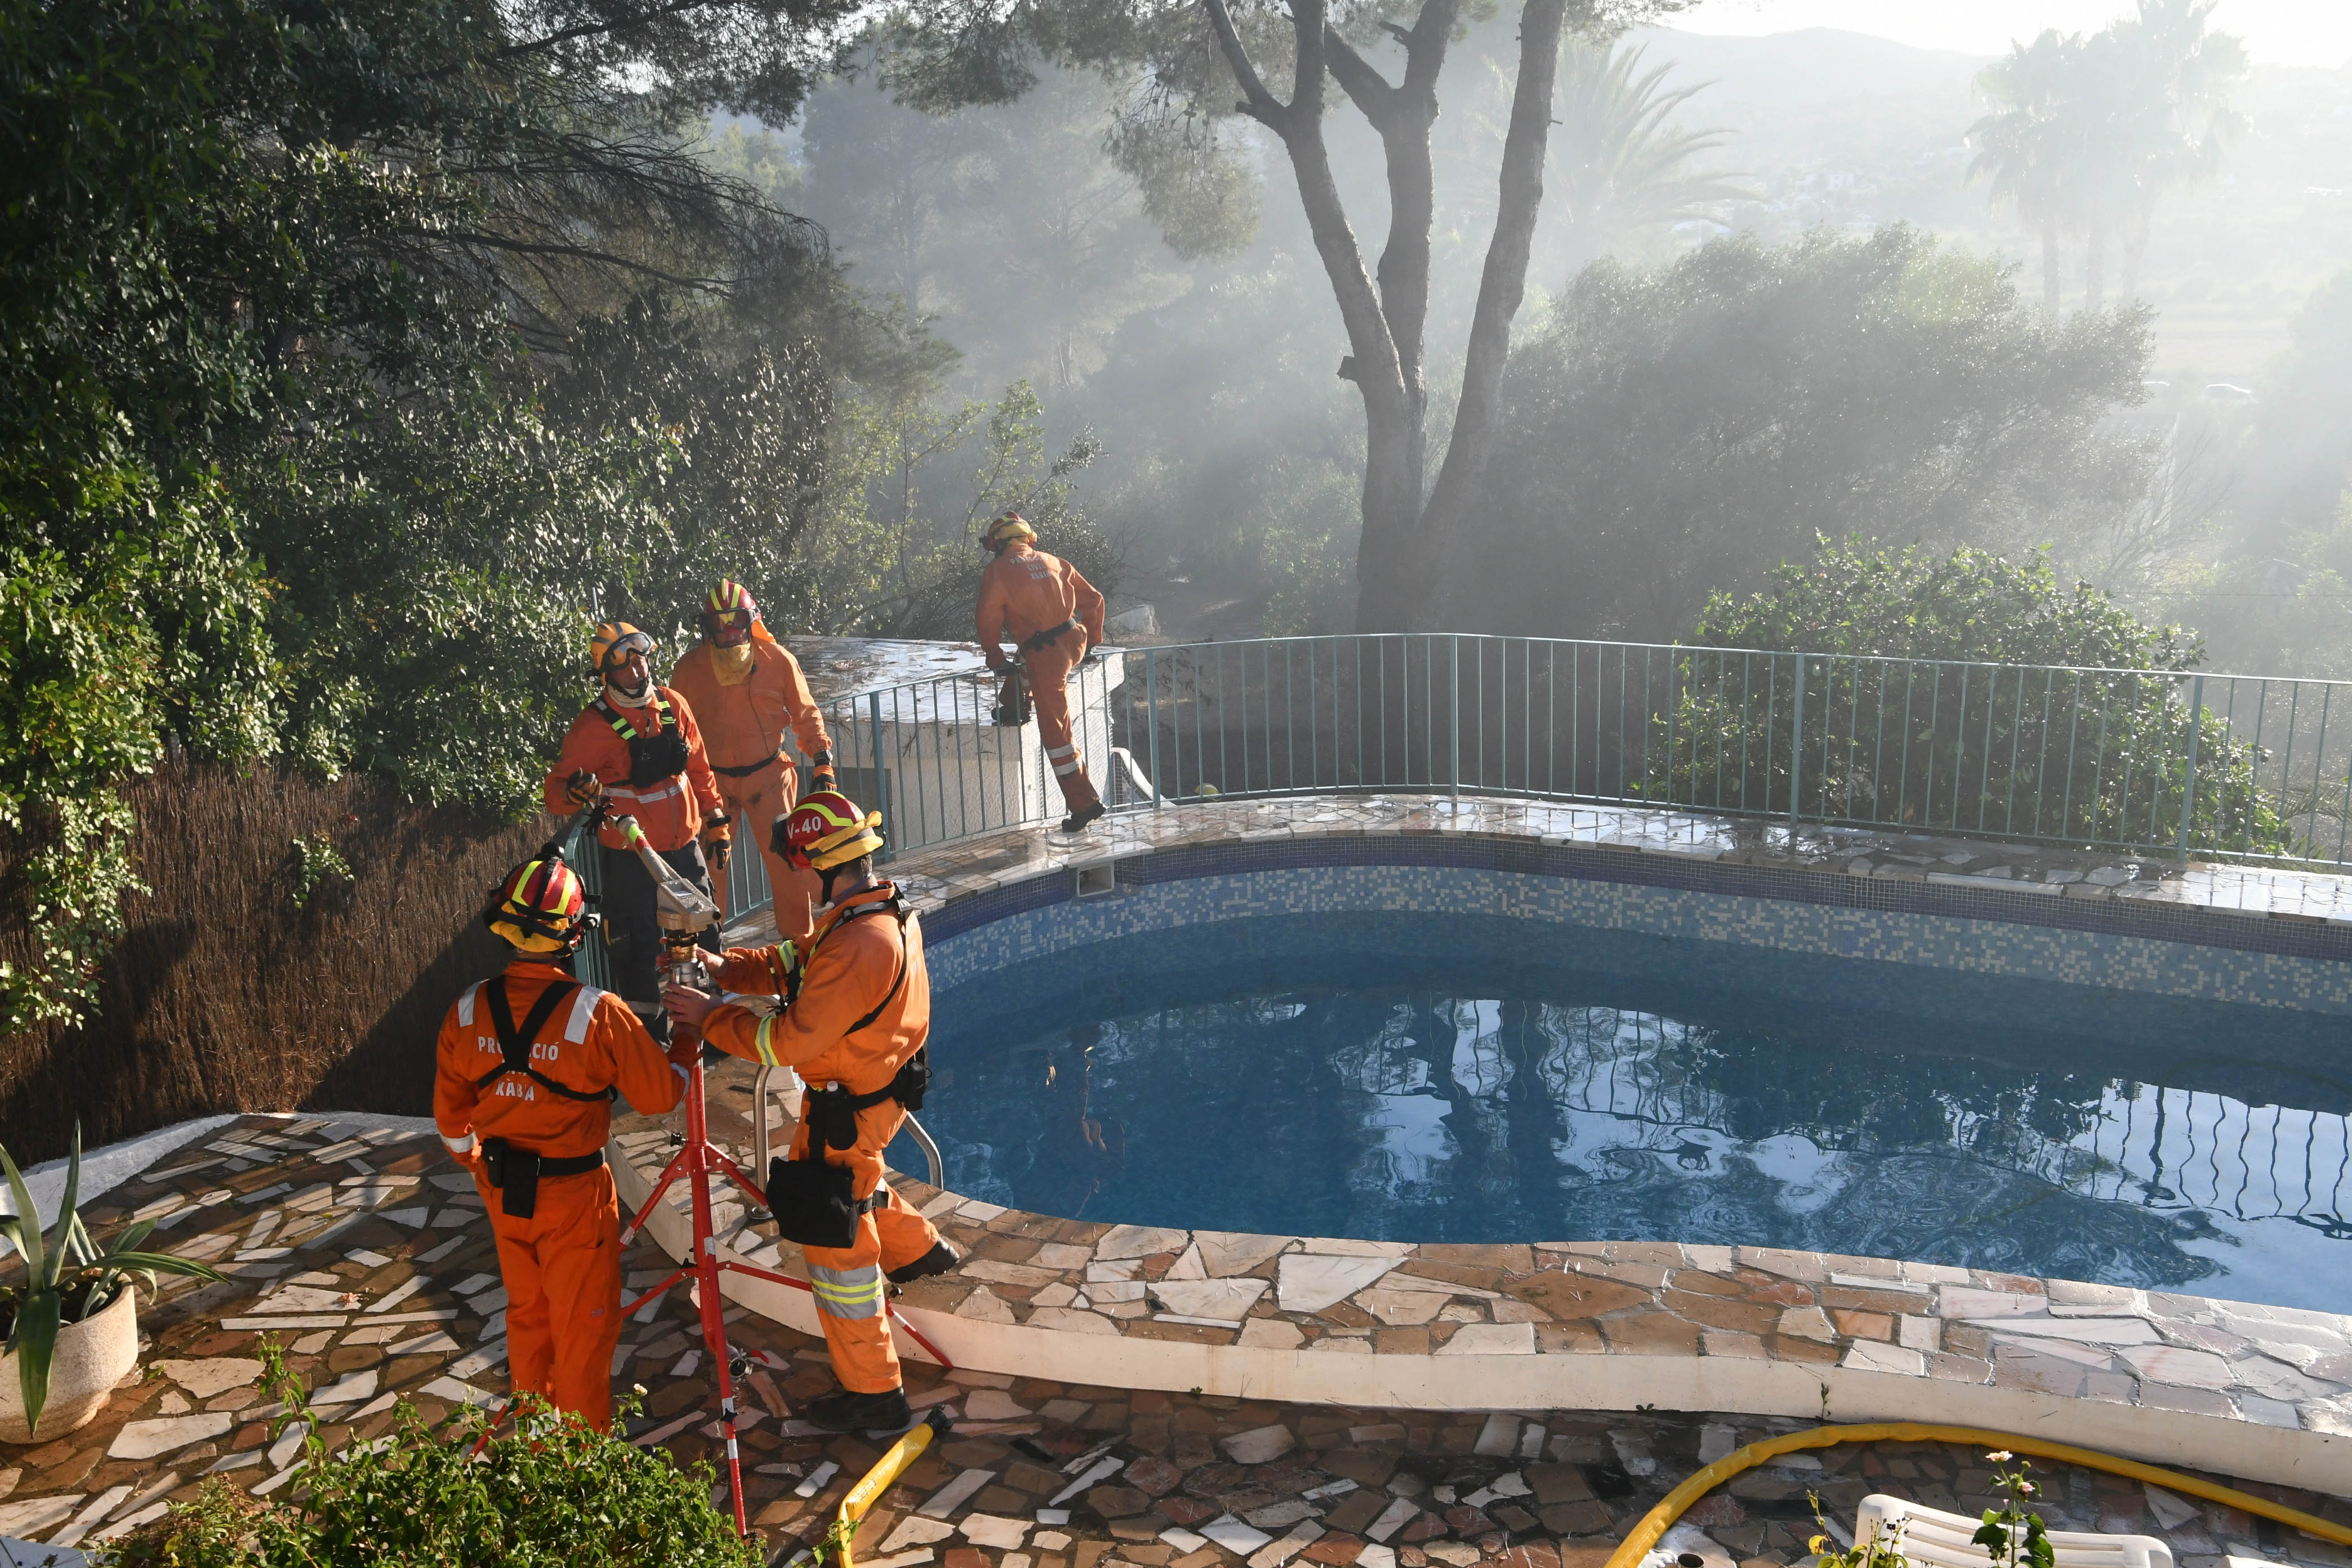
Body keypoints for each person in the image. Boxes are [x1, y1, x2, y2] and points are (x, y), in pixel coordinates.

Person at [663, 789, 960, 1432]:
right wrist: (728, 969)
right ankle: (921, 1253)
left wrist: (710, 1019)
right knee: (860, 1178)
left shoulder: (858, 942)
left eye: (803, 865)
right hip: (870, 1100)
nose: (799, 877)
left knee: (836, 1242)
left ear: (823, 862)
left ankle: (875, 1395)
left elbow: (788, 1039)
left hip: (845, 1107)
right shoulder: (876, 912)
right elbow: (795, 965)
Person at [434, 854, 689, 1429]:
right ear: (574, 935)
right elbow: (659, 1097)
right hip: (573, 1196)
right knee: (583, 1329)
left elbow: (451, 1122)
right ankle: (582, 1467)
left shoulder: (467, 1010)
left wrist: (476, 1164)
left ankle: (536, 1451)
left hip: (504, 1191)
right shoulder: (599, 1015)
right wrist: (689, 1043)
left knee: (528, 1317)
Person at [544, 622, 729, 1042]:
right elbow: (555, 795)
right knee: (639, 951)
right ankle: (650, 1044)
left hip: (685, 851)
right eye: (624, 665)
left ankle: (712, 1031)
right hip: (631, 859)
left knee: (707, 939)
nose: (637, 670)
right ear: (606, 673)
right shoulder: (592, 727)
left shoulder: (672, 704)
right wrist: (575, 791)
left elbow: (699, 769)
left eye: (641, 658)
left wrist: (717, 822)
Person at [667, 580, 836, 943]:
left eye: (737, 621)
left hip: (769, 780)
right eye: (719, 624)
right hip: (712, 788)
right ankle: (709, 954)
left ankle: (800, 952)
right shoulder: (688, 671)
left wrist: (823, 761)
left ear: (751, 620)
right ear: (707, 627)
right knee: (709, 873)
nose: (729, 633)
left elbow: (806, 713)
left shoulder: (778, 661)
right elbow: (674, 730)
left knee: (790, 866)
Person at [974, 511, 1108, 832]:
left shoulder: (998, 572)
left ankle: (1084, 804)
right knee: (1026, 661)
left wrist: (994, 657)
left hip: (1047, 658)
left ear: (998, 545)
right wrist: (1092, 642)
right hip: (1074, 639)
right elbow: (1094, 600)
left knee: (1057, 735)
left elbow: (987, 621)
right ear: (1028, 540)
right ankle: (1013, 707)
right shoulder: (1055, 561)